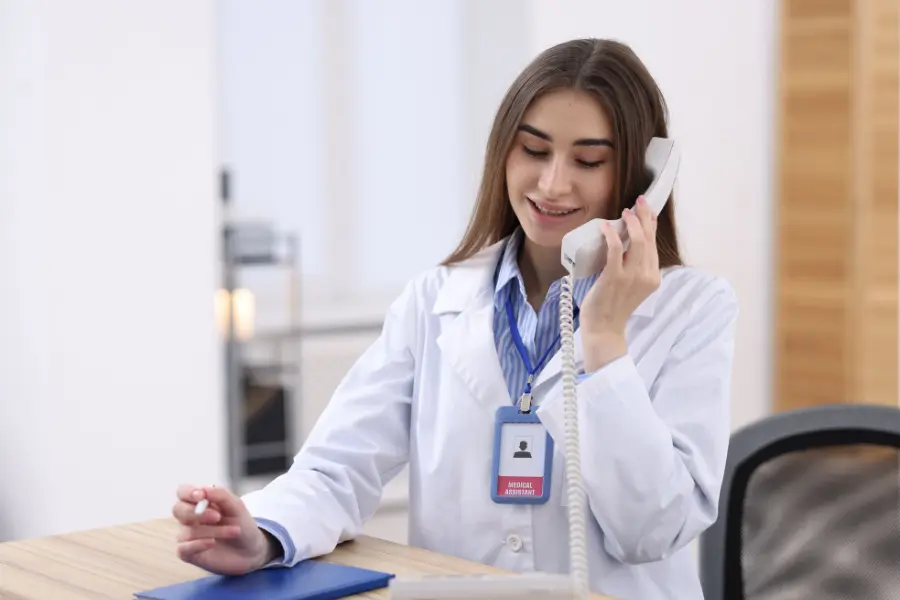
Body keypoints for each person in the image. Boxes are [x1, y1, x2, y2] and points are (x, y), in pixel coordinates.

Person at [171, 38, 737, 599]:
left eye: (589, 161)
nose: (552, 183)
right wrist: (261, 534)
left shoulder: (694, 310)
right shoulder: (434, 300)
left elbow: (654, 530)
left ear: (644, 180)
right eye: (534, 151)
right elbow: (336, 469)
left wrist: (605, 339)